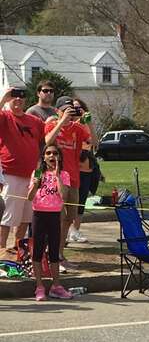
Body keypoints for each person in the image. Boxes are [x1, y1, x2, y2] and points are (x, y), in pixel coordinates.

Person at [44, 96, 91, 270]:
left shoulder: (77, 128)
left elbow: (93, 142)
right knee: (57, 218)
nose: (68, 113)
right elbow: (47, 141)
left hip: (74, 178)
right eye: (64, 110)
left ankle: (59, 255)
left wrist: (88, 121)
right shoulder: (51, 125)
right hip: (57, 178)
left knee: (69, 218)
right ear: (58, 111)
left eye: (70, 110)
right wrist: (61, 121)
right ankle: (51, 256)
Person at [0, 87, 45, 255]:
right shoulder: (5, 117)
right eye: (14, 97)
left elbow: (46, 138)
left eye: (21, 97)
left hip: (32, 174)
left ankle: (19, 248)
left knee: (26, 216)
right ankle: (2, 250)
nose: (18, 100)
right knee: (7, 215)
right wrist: (4, 98)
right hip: (10, 173)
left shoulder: (34, 121)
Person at [26, 144, 73, 301]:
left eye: (55, 153)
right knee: (38, 251)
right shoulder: (38, 172)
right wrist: (37, 183)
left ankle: (56, 286)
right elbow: (30, 197)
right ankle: (39, 286)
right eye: (48, 153)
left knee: (54, 251)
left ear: (59, 156)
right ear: (44, 156)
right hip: (39, 215)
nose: (52, 156)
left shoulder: (64, 174)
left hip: (54, 215)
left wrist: (57, 174)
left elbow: (64, 196)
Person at [68, 97, 95, 244]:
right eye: (73, 108)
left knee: (81, 201)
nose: (76, 110)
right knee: (69, 201)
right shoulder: (68, 124)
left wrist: (88, 120)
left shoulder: (85, 124)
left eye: (79, 107)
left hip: (86, 167)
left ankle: (75, 230)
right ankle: (66, 230)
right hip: (71, 167)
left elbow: (94, 141)